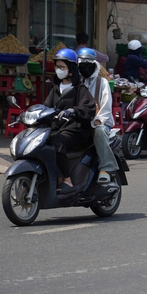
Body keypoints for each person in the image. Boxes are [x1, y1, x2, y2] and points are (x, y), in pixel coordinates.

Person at [44, 48, 96, 193]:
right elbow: (46, 107)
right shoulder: (55, 88)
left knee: (56, 142)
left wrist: (73, 111)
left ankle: (66, 180)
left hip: (76, 130)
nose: (58, 70)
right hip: (58, 128)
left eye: (62, 67)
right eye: (57, 66)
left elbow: (88, 109)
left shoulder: (80, 88)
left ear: (71, 69)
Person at [77, 48, 119, 183]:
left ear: (94, 65)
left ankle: (107, 167)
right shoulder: (76, 83)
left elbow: (106, 107)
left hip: (101, 122)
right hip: (80, 121)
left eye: (88, 65)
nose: (85, 68)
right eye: (82, 65)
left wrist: (97, 120)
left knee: (99, 131)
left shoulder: (103, 83)